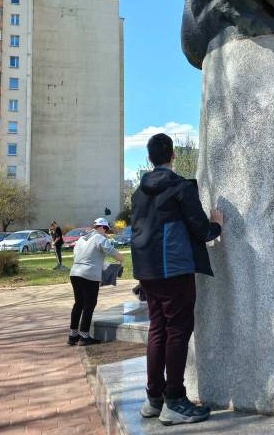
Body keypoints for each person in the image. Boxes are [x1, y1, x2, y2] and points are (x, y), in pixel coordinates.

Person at [131, 133, 224, 426]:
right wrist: (217, 225)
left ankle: (154, 399)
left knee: (158, 329)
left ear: (150, 159)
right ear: (173, 156)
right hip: (174, 269)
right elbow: (201, 229)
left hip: (147, 271)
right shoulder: (180, 187)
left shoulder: (138, 193)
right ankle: (174, 400)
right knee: (178, 331)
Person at [67, 218, 124, 346]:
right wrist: (122, 259)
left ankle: (73, 335)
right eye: (106, 229)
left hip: (75, 273)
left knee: (78, 303)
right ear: (102, 227)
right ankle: (84, 336)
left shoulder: (81, 239)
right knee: (89, 304)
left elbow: (80, 256)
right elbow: (112, 252)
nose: (106, 232)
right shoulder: (99, 238)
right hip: (88, 275)